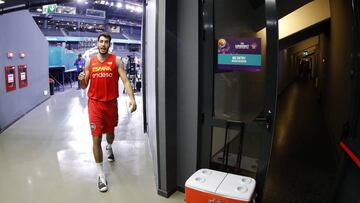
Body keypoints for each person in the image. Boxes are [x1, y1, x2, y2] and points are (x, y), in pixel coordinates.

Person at [78, 33, 137, 192]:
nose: (103, 44)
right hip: (94, 105)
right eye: (101, 41)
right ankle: (101, 175)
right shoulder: (90, 62)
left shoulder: (116, 60)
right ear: (97, 43)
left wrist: (132, 98)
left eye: (106, 42)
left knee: (110, 134)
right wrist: (81, 79)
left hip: (111, 104)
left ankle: (109, 147)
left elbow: (125, 80)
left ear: (109, 45)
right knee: (96, 138)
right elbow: (84, 86)